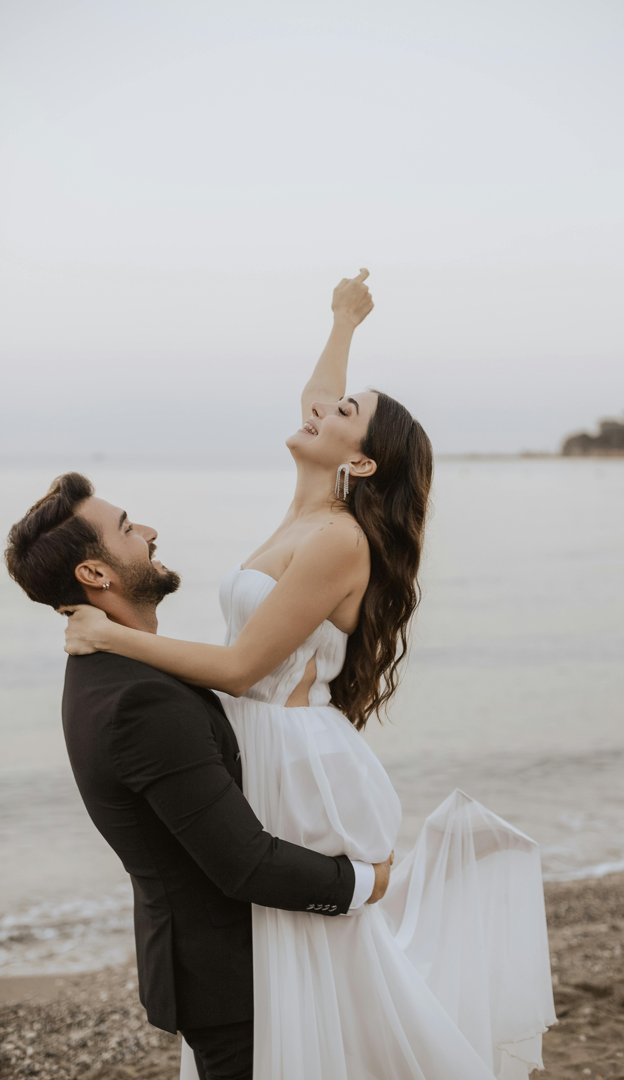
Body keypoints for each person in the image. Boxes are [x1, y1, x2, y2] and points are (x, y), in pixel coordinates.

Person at [62, 270, 556, 1078]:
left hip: (292, 752)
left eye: (343, 414)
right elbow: (320, 393)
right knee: (289, 955)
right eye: (328, 403)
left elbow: (240, 665)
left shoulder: (336, 540)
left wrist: (111, 639)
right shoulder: (305, 509)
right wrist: (342, 320)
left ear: (361, 464)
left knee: (300, 951)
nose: (321, 410)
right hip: (264, 738)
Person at [4, 472, 392, 1080]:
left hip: (222, 963)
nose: (150, 533)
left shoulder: (114, 670)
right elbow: (244, 864)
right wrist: (364, 882)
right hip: (228, 976)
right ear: (95, 574)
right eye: (127, 528)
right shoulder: (139, 701)